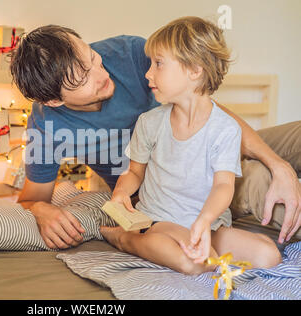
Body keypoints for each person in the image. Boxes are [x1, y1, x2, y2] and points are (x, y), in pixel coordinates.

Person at [10, 24, 300, 250]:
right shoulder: (46, 128)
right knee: (261, 180)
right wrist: (41, 210)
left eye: (92, 58)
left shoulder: (130, 53)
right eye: (84, 78)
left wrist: (279, 165)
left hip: (214, 145)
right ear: (54, 101)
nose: (101, 73)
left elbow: (208, 109)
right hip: (189, 187)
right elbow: (32, 198)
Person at [99, 16, 282, 274]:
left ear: (195, 70)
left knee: (268, 255)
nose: (148, 73)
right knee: (196, 263)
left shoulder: (226, 129)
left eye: (158, 64)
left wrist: (204, 221)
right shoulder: (149, 123)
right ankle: (125, 238)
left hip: (207, 226)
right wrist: (120, 193)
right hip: (158, 221)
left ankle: (197, 244)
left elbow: (223, 185)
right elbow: (134, 172)